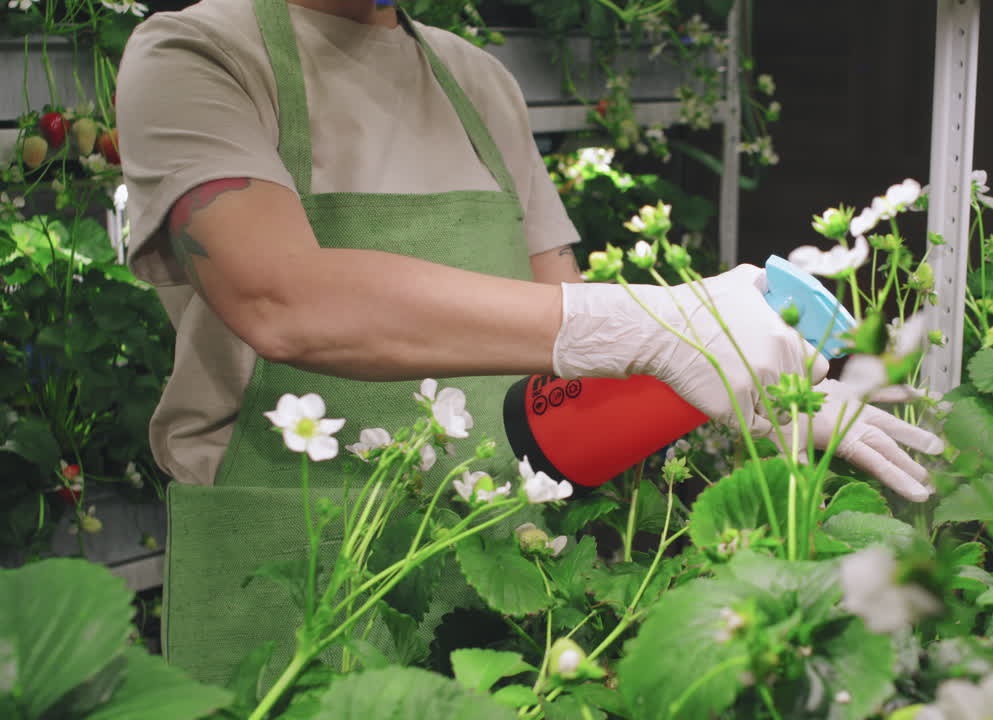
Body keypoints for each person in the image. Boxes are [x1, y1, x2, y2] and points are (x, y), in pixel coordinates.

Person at [116, 0, 942, 684]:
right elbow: (281, 297)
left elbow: (568, 343)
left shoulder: (478, 84)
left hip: (499, 561)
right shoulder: (198, 54)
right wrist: (650, 320)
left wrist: (732, 385)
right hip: (288, 575)